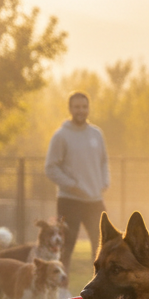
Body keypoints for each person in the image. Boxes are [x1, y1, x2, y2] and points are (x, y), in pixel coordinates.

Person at [44, 91, 109, 275]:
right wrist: (72, 185)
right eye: (77, 107)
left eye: (84, 107)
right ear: (70, 109)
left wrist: (104, 181)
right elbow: (51, 168)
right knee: (66, 245)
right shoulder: (61, 135)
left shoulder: (97, 134)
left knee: (102, 245)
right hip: (69, 201)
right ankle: (61, 289)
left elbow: (104, 162)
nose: (81, 110)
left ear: (88, 108)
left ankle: (99, 288)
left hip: (95, 201)